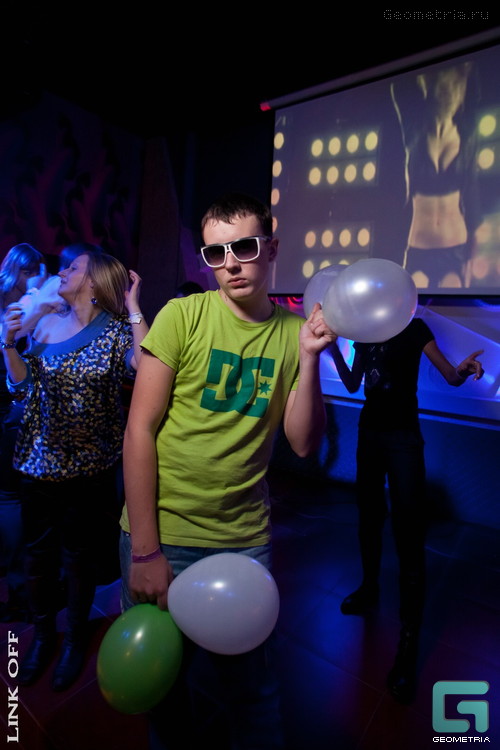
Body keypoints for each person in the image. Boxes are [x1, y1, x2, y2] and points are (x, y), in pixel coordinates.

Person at [119, 192, 336, 749]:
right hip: (164, 533)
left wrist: (309, 357)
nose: (231, 264)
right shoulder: (182, 316)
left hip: (242, 540)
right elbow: (139, 430)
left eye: (244, 248)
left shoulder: (294, 334)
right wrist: (145, 550)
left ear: (272, 249)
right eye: (216, 253)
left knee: (254, 693)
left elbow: (303, 443)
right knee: (165, 692)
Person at [1, 250, 149, 691]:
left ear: (95, 280)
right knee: (37, 558)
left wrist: (134, 305)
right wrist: (8, 344)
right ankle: (44, 636)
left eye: (73, 267)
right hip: (37, 463)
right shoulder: (45, 322)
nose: (61, 271)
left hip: (90, 470)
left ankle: (74, 641)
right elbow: (22, 387)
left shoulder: (116, 330)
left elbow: (147, 366)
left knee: (79, 559)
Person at [330, 318, 484, 703]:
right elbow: (351, 383)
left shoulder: (415, 327)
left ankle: (409, 638)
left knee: (409, 531)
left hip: (403, 438)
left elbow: (450, 376)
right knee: (368, 517)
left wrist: (464, 370)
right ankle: (369, 588)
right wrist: (331, 347)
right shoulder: (365, 330)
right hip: (369, 433)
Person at [391, 62, 481, 288]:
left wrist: (471, 255)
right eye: (443, 88)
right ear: (430, 91)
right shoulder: (414, 132)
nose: (449, 95)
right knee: (413, 306)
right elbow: (400, 86)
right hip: (418, 247)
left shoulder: (467, 134)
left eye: (454, 88)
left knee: (452, 306)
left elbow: (472, 199)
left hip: (456, 247)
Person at [0, 243, 44, 622]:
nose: (37, 279)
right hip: (11, 406)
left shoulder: (22, 304)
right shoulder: (25, 306)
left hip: (11, 407)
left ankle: (18, 587)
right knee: (10, 497)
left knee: (9, 497)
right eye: (33, 272)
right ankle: (18, 587)